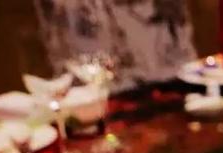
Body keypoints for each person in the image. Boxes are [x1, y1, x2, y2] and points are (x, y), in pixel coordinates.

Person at [33, 0, 196, 91]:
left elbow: (186, 66)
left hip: (177, 101)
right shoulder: (73, 8)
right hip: (102, 112)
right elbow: (78, 81)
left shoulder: (167, 8)